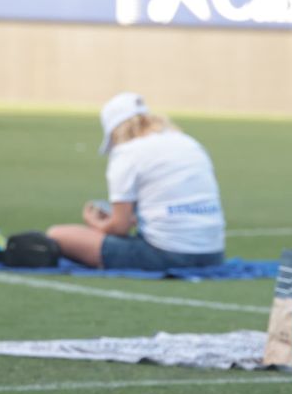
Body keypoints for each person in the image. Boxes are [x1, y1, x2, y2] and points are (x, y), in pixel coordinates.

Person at [45, 92, 225, 271]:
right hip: (214, 254)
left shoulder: (126, 153)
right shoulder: (189, 143)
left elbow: (119, 228)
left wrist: (95, 223)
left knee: (58, 234)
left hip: (166, 254)